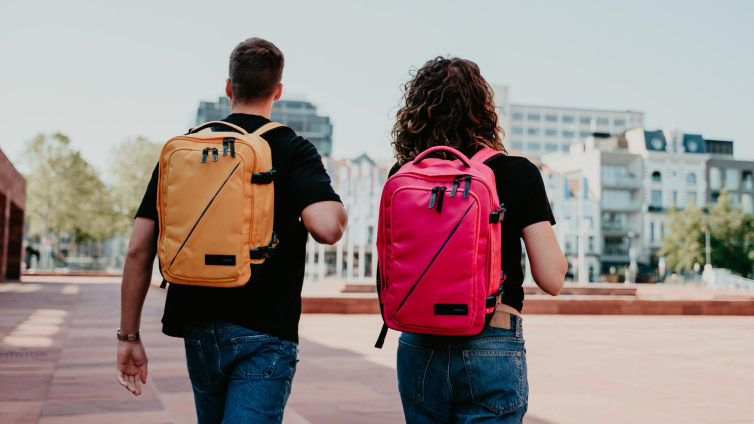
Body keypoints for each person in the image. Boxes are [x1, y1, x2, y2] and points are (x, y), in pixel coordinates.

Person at [116, 37, 348, 424]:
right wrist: (339, 210)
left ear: (229, 87)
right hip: (265, 327)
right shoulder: (292, 148)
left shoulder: (185, 149)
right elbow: (327, 228)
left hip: (198, 323)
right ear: (277, 91)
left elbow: (139, 249)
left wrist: (128, 336)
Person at [388, 57, 567, 423]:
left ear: (416, 110)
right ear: (484, 108)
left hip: (418, 344)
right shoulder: (517, 173)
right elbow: (552, 278)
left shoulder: (402, 175)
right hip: (492, 339)